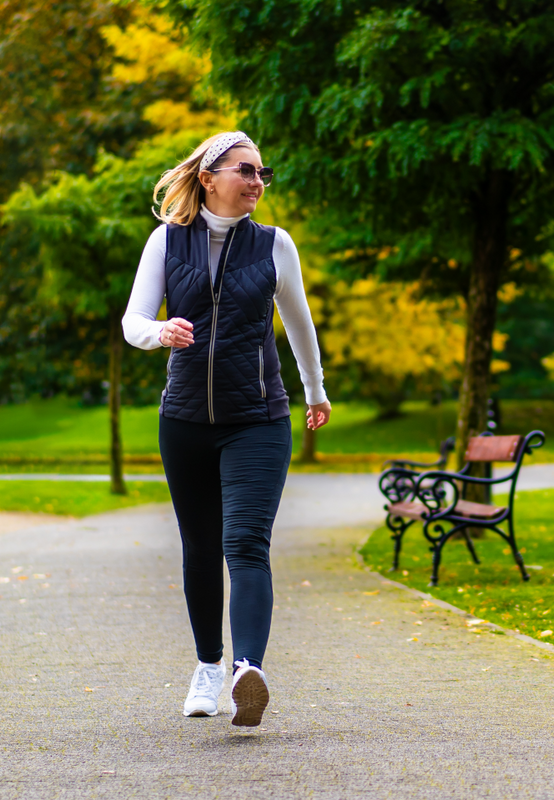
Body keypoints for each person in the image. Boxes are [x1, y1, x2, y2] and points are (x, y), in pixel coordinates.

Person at [122, 131, 330, 727]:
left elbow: (299, 324)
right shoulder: (167, 240)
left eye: (264, 173)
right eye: (247, 171)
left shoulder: (273, 244)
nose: (258, 182)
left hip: (258, 418)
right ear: (209, 177)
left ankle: (247, 671)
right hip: (184, 419)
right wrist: (159, 332)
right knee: (200, 548)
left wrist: (315, 391)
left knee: (245, 543)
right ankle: (207, 668)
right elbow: (133, 319)